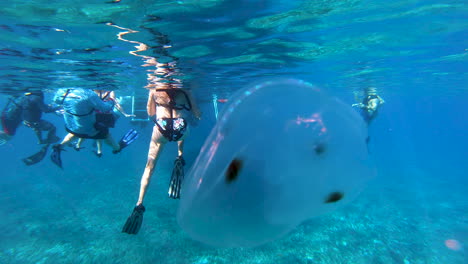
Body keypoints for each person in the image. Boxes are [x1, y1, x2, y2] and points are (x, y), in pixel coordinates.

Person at [122, 83, 202, 235]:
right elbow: (197, 114)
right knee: (182, 126)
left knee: (149, 166)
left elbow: (150, 112)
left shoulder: (154, 88)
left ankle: (139, 203)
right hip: (180, 128)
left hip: (161, 128)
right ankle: (179, 155)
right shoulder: (186, 90)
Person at [51, 88, 138, 168]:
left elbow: (56, 100)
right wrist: (111, 100)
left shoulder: (66, 91)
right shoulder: (89, 95)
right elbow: (105, 108)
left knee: (73, 134)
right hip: (88, 126)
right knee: (106, 135)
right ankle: (117, 148)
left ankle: (59, 146)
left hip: (71, 124)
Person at [74, 89, 135, 157]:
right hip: (105, 117)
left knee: (89, 131)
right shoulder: (108, 91)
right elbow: (115, 103)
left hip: (97, 116)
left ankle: (79, 146)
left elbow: (115, 103)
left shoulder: (93, 92)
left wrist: (124, 113)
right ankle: (99, 150)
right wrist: (124, 113)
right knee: (99, 132)